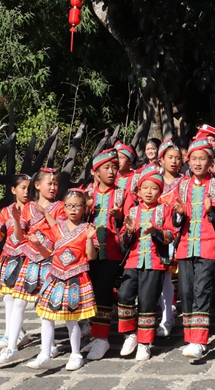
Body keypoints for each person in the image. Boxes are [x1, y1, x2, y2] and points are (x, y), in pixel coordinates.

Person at [0, 168, 64, 364]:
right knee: (18, 301)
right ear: (38, 185)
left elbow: (61, 231)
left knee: (44, 306)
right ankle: (11, 347)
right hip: (31, 259)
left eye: (55, 184)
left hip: (50, 259)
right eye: (49, 183)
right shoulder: (27, 208)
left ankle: (47, 348)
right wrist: (16, 220)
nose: (53, 187)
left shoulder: (60, 207)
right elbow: (18, 236)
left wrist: (44, 212)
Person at [173, 139, 215, 359]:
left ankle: (199, 340)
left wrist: (213, 210)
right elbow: (174, 220)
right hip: (185, 246)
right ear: (188, 161)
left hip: (208, 245)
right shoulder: (181, 186)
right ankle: (190, 337)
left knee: (201, 290)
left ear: (210, 162)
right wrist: (179, 212)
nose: (198, 163)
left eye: (203, 159)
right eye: (194, 159)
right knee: (186, 292)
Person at [28, 189, 97, 371]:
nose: (73, 209)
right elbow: (47, 253)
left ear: (84, 208)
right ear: (64, 208)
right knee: (46, 316)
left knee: (71, 319)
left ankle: (76, 354)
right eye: (69, 206)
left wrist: (89, 239)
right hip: (55, 277)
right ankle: (45, 354)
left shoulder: (87, 229)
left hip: (76, 278)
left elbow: (91, 256)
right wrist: (37, 243)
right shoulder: (56, 228)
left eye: (77, 206)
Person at [117, 166, 176, 361]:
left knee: (147, 302)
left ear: (160, 191)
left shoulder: (164, 210)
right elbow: (123, 240)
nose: (149, 192)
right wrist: (129, 231)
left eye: (154, 188)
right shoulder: (133, 211)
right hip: (133, 261)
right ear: (139, 190)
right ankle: (130, 334)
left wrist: (155, 232)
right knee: (124, 295)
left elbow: (170, 235)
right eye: (145, 188)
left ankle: (145, 342)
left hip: (154, 263)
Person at [83, 149, 132, 360]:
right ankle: (95, 335)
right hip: (87, 252)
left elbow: (131, 221)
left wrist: (121, 217)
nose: (112, 171)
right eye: (106, 168)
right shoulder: (85, 193)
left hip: (111, 251)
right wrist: (86, 209)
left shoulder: (123, 193)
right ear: (96, 172)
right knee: (91, 292)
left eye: (114, 167)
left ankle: (102, 338)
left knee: (103, 292)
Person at [0, 175, 31, 351]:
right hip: (8, 257)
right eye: (23, 187)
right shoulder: (6, 211)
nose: (26, 191)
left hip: (27, 257)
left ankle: (14, 335)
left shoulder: (33, 210)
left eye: (29, 188)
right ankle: (13, 332)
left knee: (19, 299)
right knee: (8, 297)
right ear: (13, 190)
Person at [156, 139, 184, 337]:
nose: (174, 161)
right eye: (170, 157)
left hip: (178, 234)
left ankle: (167, 317)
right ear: (161, 160)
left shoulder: (184, 183)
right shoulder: (153, 181)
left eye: (177, 158)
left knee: (168, 276)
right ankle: (163, 314)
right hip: (156, 235)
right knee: (157, 275)